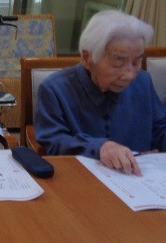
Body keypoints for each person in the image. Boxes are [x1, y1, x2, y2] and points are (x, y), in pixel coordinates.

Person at [35, 10, 166, 176]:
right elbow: (54, 141)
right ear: (87, 58)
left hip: (141, 178)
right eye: (119, 62)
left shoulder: (143, 81)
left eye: (136, 62)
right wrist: (100, 147)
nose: (130, 75)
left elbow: (161, 128)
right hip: (82, 179)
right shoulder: (54, 89)